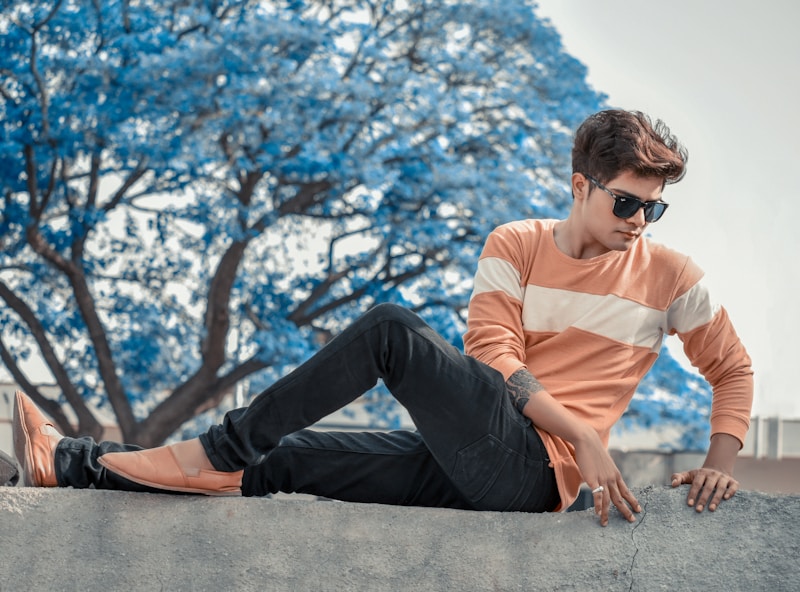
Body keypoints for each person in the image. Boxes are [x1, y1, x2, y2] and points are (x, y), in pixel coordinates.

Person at [8, 110, 753, 527]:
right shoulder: (518, 245)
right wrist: (585, 431)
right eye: (627, 201)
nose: (641, 222)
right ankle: (69, 464)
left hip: (531, 475)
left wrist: (720, 466)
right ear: (580, 186)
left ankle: (218, 446)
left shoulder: (670, 276)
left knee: (392, 331)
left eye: (655, 206)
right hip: (477, 451)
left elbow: (732, 368)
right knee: (289, 460)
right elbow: (490, 353)